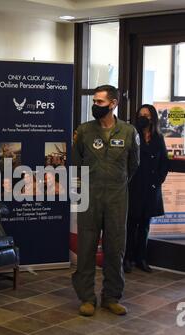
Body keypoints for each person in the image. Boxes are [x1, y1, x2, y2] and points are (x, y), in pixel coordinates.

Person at [72, 85, 140, 317]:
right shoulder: (83, 131)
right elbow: (76, 162)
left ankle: (111, 297)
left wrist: (115, 183)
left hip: (117, 198)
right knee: (87, 247)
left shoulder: (129, 132)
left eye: (100, 102)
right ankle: (87, 298)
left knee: (115, 248)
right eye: (94, 101)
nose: (95, 106)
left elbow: (133, 166)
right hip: (90, 197)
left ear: (113, 104)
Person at [124, 104, 169, 273]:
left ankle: (141, 258)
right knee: (131, 224)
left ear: (153, 118)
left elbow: (164, 162)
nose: (144, 117)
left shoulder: (158, 137)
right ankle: (127, 258)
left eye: (147, 115)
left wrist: (158, 180)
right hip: (134, 187)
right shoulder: (132, 135)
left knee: (144, 226)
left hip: (151, 188)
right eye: (141, 115)